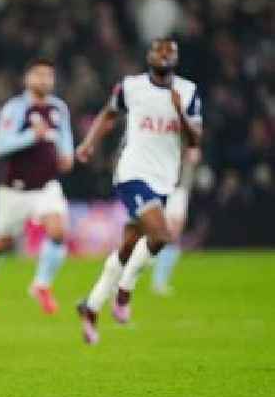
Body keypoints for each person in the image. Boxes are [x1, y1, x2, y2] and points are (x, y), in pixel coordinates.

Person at [75, 39, 202, 344]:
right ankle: (124, 291)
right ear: (149, 56)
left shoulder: (188, 92)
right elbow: (108, 114)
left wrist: (179, 112)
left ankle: (91, 306)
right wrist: (88, 143)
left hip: (164, 177)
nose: (162, 56)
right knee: (160, 235)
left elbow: (195, 139)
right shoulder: (131, 87)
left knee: (131, 243)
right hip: (132, 172)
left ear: (175, 58)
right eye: (158, 51)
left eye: (168, 51)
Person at [0, 58, 74, 314]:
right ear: (27, 79)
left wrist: (67, 155)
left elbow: (64, 138)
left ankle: (42, 285)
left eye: (48, 76)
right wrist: (31, 135)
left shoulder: (58, 108)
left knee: (58, 231)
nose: (44, 81)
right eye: (38, 75)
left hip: (46, 186)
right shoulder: (15, 109)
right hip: (15, 190)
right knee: (2, 243)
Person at [151, 146, 200, 296]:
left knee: (172, 238)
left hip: (180, 190)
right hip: (169, 190)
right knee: (169, 237)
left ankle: (159, 282)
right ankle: (157, 282)